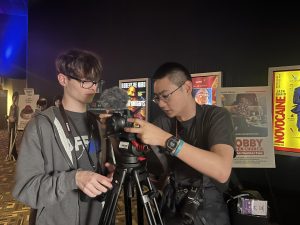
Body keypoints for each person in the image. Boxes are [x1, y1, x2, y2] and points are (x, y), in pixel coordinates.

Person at [124, 62, 236, 225]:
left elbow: (221, 170)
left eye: (166, 95)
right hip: (172, 207)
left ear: (187, 88)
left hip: (208, 210)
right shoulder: (163, 122)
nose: (161, 103)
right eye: (157, 98)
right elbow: (151, 166)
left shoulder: (216, 116)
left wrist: (166, 140)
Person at [13, 49, 114, 225]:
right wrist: (73, 179)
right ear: (63, 79)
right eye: (85, 81)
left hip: (96, 217)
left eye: (97, 82)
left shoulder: (97, 124)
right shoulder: (40, 126)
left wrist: (107, 174)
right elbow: (26, 189)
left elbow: (93, 165)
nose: (94, 88)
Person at [7, 91, 19, 160]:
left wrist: (17, 127)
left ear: (16, 99)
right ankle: (9, 154)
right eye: (13, 98)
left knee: (13, 139)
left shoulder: (17, 107)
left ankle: (13, 154)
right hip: (10, 124)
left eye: (15, 98)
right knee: (9, 139)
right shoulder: (11, 107)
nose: (14, 99)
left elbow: (17, 117)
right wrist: (8, 118)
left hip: (14, 124)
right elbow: (9, 115)